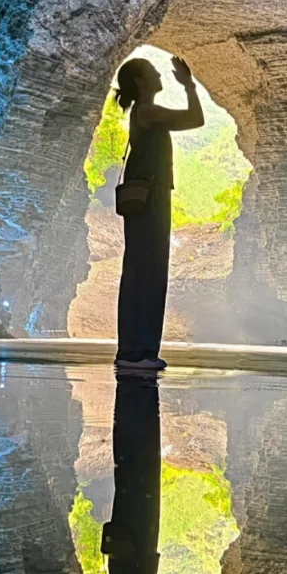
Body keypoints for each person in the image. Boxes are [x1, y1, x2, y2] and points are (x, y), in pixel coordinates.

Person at [91, 374, 185, 574]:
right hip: (128, 538)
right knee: (131, 465)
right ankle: (133, 393)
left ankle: (139, 390)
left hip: (138, 536)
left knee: (141, 464)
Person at [113, 53, 204, 371]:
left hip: (150, 196)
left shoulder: (144, 111)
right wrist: (188, 86)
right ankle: (138, 351)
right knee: (149, 271)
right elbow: (195, 119)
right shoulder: (148, 111)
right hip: (150, 199)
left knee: (142, 270)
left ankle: (138, 348)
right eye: (153, 72)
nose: (159, 75)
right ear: (140, 81)